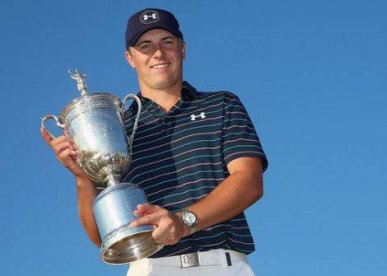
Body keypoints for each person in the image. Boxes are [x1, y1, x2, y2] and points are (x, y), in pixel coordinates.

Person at [41, 8, 267, 276]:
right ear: (130, 58)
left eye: (167, 42)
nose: (158, 53)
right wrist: (82, 178)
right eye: (145, 46)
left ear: (183, 49)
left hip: (222, 265)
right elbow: (102, 236)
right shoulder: (113, 131)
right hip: (149, 268)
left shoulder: (221, 104)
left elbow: (249, 181)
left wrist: (183, 222)